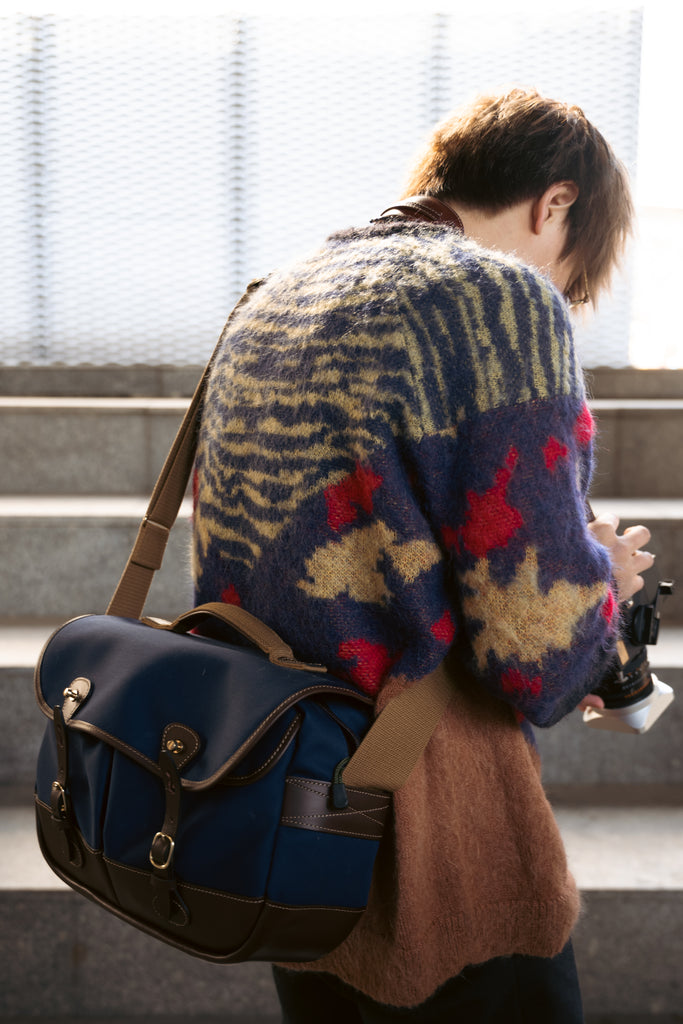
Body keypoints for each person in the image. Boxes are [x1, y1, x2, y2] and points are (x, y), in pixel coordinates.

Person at [192, 88, 652, 1022]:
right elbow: (540, 659)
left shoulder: (275, 293)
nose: (558, 298)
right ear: (553, 206)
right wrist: (601, 577)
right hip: (431, 812)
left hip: (277, 793)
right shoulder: (496, 300)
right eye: (569, 279)